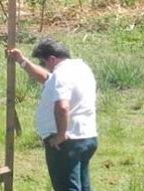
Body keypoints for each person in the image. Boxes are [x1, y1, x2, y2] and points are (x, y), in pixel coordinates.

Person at [8, 39, 98, 191]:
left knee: (67, 187)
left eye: (43, 63)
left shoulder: (61, 74)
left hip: (67, 142)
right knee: (83, 187)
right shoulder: (81, 68)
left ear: (52, 59)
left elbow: (62, 106)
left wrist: (61, 135)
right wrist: (22, 61)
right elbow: (47, 79)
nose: (45, 67)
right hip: (86, 137)